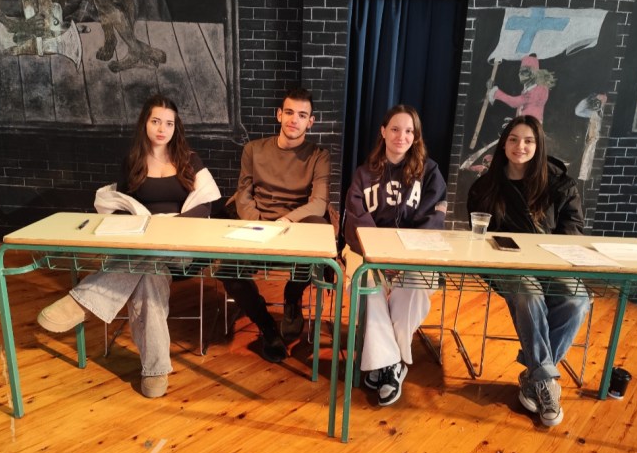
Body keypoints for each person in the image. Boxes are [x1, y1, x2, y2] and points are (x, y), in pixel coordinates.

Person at [36, 94, 221, 398]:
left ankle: (83, 300)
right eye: (156, 121)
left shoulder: (190, 159)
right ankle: (155, 370)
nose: (162, 128)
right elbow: (120, 205)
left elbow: (205, 205)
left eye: (169, 123)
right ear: (144, 123)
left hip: (181, 244)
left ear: (176, 127)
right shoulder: (132, 162)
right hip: (142, 246)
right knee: (148, 276)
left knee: (145, 263)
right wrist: (144, 226)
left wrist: (169, 225)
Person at [466, 114, 590, 427]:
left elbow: (572, 231)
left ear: (538, 145)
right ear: (503, 144)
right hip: (505, 266)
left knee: (578, 299)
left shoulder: (560, 184)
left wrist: (545, 253)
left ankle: (536, 377)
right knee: (528, 292)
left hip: (550, 263)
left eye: (528, 140)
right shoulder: (485, 187)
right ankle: (545, 381)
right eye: (513, 139)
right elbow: (480, 238)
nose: (520, 146)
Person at [344, 105, 447, 406]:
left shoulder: (430, 173)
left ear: (416, 136)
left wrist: (402, 259)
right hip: (369, 254)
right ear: (383, 132)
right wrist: (380, 257)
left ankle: (384, 363)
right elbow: (356, 218)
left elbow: (432, 221)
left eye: (409, 131)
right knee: (367, 284)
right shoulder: (365, 173)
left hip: (413, 256)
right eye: (395, 129)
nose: (402, 136)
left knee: (414, 286)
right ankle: (393, 364)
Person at [223, 87, 331, 363]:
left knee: (318, 231)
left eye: (302, 115)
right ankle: (267, 326)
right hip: (257, 225)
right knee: (226, 268)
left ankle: (292, 299)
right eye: (290, 112)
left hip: (295, 229)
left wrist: (285, 222)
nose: (295, 119)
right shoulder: (253, 150)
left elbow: (319, 203)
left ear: (310, 122)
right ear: (279, 114)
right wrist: (259, 225)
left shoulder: (319, 156)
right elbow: (243, 195)